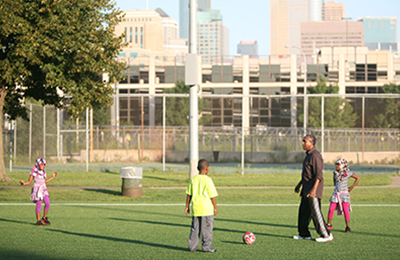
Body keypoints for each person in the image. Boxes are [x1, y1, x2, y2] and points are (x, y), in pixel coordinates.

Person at [294, 135, 333, 242]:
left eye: (304, 141)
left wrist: (314, 190)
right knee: (303, 213)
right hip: (306, 189)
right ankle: (304, 234)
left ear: (311, 143)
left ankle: (326, 235)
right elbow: (307, 174)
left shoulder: (316, 155)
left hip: (313, 190)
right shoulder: (308, 155)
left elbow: (318, 175)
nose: (302, 143)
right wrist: (299, 184)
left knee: (316, 213)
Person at [185, 159, 218, 252]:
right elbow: (212, 195)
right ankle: (206, 247)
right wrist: (215, 207)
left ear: (197, 168)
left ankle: (192, 247)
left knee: (195, 229)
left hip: (196, 208)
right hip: (206, 209)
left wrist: (187, 206)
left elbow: (189, 194)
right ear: (207, 169)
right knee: (207, 228)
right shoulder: (208, 180)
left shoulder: (193, 179)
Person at [19, 158, 57, 226]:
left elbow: (45, 181)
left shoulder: (44, 171)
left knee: (47, 203)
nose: (43, 167)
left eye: (44, 165)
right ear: (38, 165)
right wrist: (24, 183)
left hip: (43, 188)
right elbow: (29, 181)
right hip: (37, 189)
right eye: (41, 165)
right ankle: (38, 221)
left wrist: (53, 177)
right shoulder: (34, 171)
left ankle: (44, 217)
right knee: (38, 204)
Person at [326, 158, 360, 233]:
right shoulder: (335, 172)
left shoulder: (348, 173)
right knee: (331, 208)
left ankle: (347, 226)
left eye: (338, 164)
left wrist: (351, 187)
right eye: (336, 164)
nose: (336, 166)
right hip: (336, 193)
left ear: (343, 165)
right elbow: (335, 181)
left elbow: (358, 178)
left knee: (345, 210)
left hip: (344, 194)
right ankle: (329, 224)